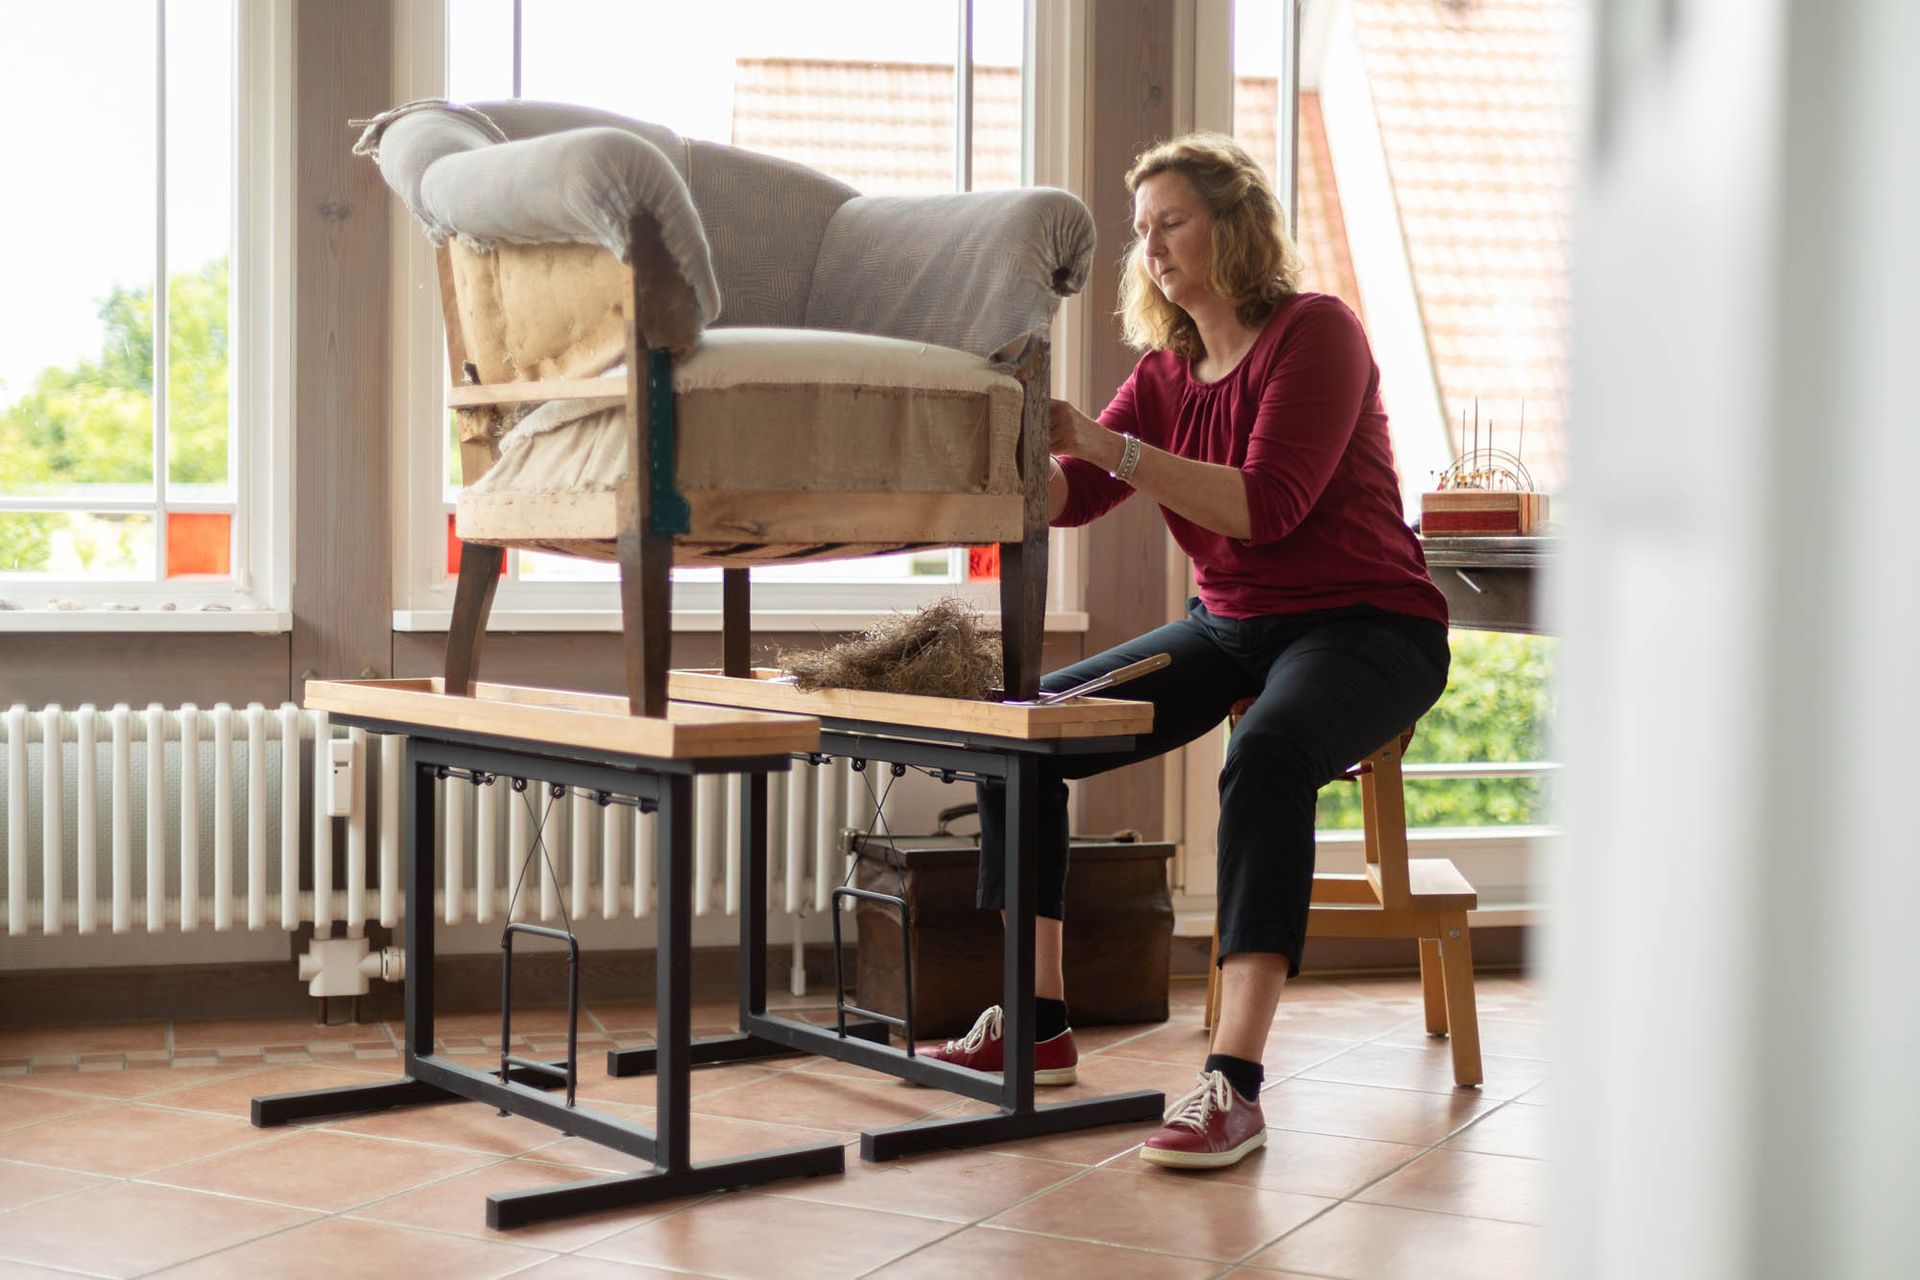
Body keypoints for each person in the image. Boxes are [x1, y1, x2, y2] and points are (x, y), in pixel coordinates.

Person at [921, 133, 1452, 1170]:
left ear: (1233, 224)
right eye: (1143, 230)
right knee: (1023, 734)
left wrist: (1100, 441)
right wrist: (1006, 446)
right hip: (1232, 626)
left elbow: (1265, 506)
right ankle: (1036, 1024)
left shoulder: (1318, 333)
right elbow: (1077, 495)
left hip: (1370, 623)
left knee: (1269, 754)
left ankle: (1234, 1085)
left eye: (1172, 222)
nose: (1152, 247)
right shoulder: (1165, 372)